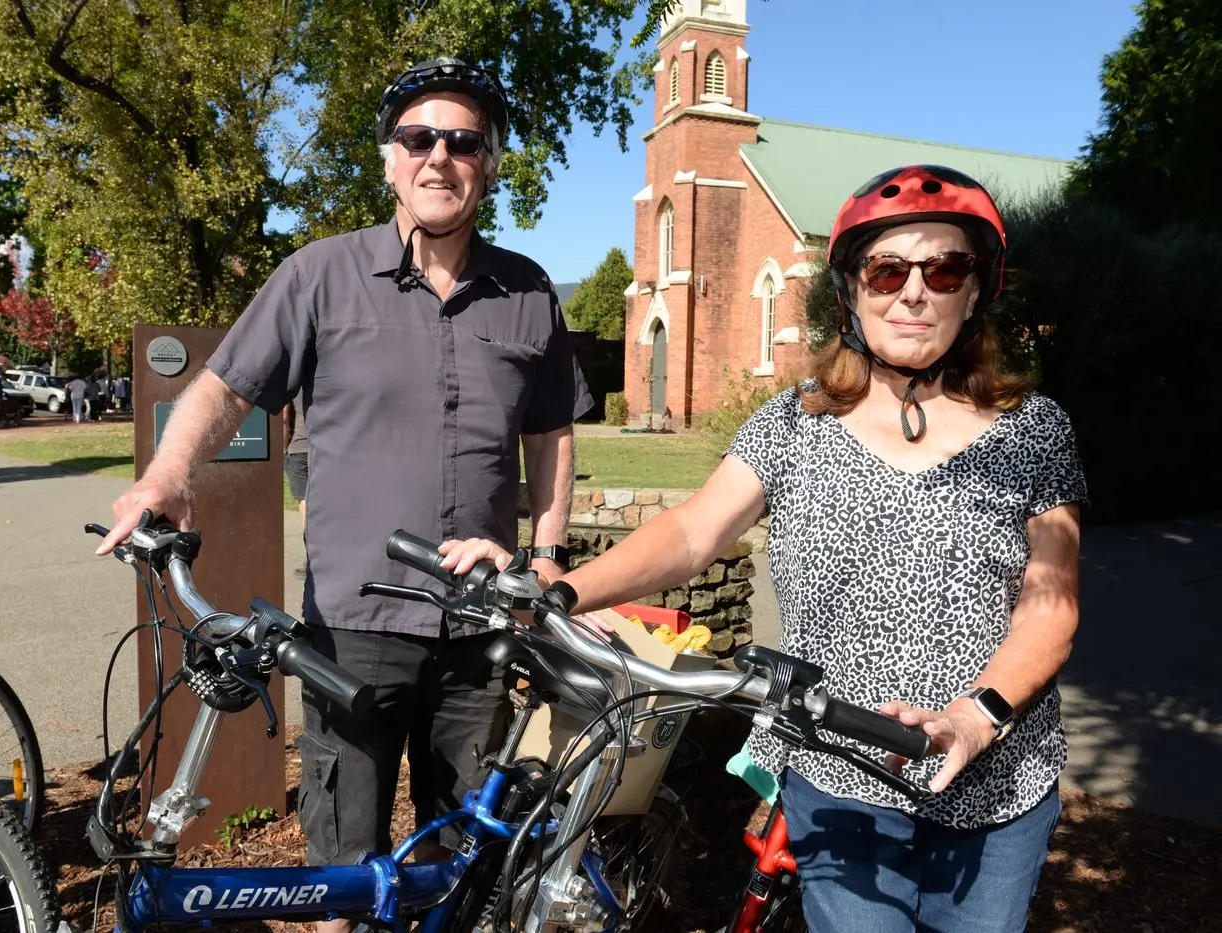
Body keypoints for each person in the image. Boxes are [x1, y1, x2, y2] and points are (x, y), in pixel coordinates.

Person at [442, 165, 1087, 933]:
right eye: (887, 269)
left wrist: (979, 715)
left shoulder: (1034, 430)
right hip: (841, 781)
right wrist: (564, 591)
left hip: (997, 790)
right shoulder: (794, 424)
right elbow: (692, 531)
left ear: (976, 291)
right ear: (851, 289)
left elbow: (1052, 606)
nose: (914, 291)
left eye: (944, 269)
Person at [97, 56, 591, 928]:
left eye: (463, 140)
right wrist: (168, 474)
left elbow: (551, 435)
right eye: (418, 137)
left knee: (460, 863)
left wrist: (548, 556)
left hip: (481, 627)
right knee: (343, 870)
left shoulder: (528, 293)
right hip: (351, 631)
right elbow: (223, 386)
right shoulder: (319, 275)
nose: (439, 156)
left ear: (489, 161)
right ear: (389, 158)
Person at [282, 392, 309, 581]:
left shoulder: (296, 383)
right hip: (326, 448)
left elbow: (284, 418)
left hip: (300, 449)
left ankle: (313, 561)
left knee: (306, 506)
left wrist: (283, 448)